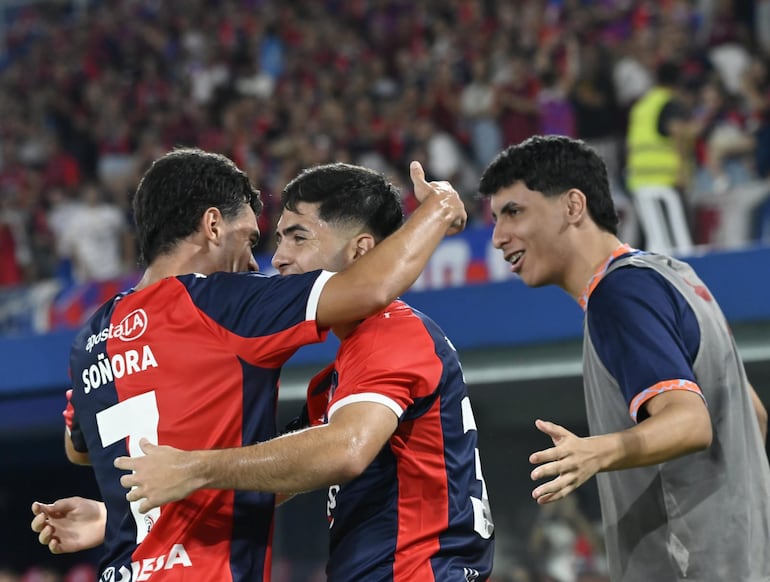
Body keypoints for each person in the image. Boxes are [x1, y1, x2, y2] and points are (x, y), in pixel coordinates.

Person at [33, 163, 494, 581]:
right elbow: (276, 470)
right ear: (213, 226)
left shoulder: (92, 334)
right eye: (258, 240)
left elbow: (80, 449)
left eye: (297, 238)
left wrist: (167, 487)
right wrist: (127, 514)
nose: (269, 261)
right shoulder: (224, 306)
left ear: (361, 250)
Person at [477, 134, 770, 582]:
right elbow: (754, 416)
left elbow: (691, 422)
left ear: (573, 206)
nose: (499, 237)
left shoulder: (618, 295)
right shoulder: (674, 276)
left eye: (514, 211)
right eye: (496, 218)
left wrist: (595, 452)